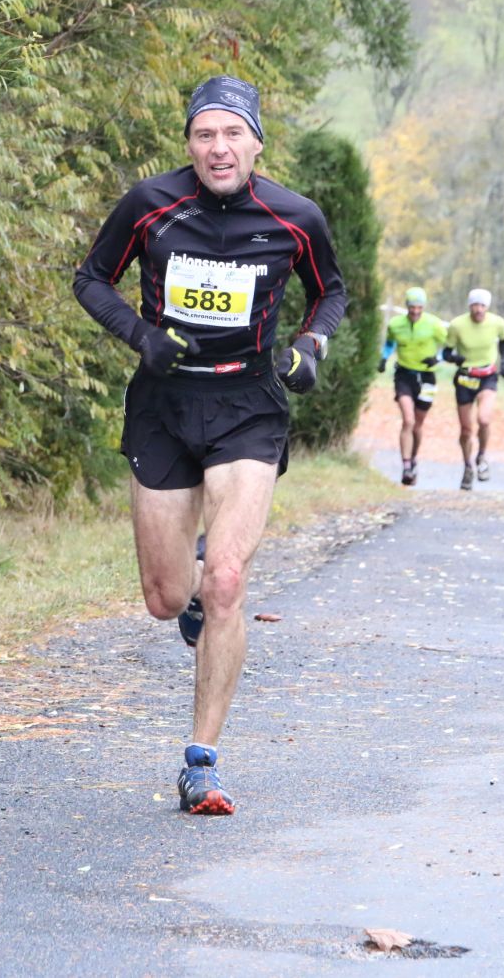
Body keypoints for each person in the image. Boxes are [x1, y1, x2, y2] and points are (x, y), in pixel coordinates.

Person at [72, 75, 347, 815]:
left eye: (233, 134)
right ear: (189, 142)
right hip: (165, 403)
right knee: (168, 599)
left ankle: (203, 760)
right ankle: (187, 589)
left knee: (226, 578)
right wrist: (142, 338)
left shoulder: (294, 217)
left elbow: (332, 290)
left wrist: (311, 345)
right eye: (204, 134)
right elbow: (91, 278)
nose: (219, 148)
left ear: (257, 141)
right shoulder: (150, 204)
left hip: (247, 405)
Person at [441, 287, 504, 490]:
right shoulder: (457, 325)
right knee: (466, 429)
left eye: (482, 305)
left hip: (487, 376)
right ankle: (467, 466)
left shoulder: (497, 323)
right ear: (469, 306)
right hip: (464, 377)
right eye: (475, 305)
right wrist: (454, 358)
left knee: (484, 419)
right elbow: (445, 352)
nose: (478, 309)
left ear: (487, 307)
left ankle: (481, 457)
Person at [378, 286, 446, 486]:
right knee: (408, 420)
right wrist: (384, 358)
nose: (415, 312)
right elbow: (390, 344)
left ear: (423, 307)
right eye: (411, 308)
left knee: (418, 424)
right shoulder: (395, 324)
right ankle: (406, 466)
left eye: (419, 308)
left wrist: (438, 358)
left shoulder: (434, 324)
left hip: (427, 377)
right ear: (406, 307)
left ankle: (414, 458)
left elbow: (450, 346)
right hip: (404, 375)